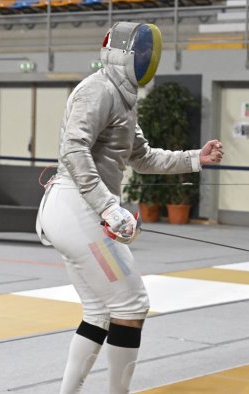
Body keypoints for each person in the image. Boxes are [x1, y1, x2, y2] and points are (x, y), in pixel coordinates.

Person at [36, 22, 224, 394]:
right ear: (121, 54)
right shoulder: (98, 90)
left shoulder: (123, 97)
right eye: (140, 52)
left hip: (77, 210)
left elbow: (141, 156)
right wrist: (108, 207)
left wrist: (195, 158)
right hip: (77, 208)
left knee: (100, 313)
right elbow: (73, 151)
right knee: (132, 305)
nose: (146, 59)